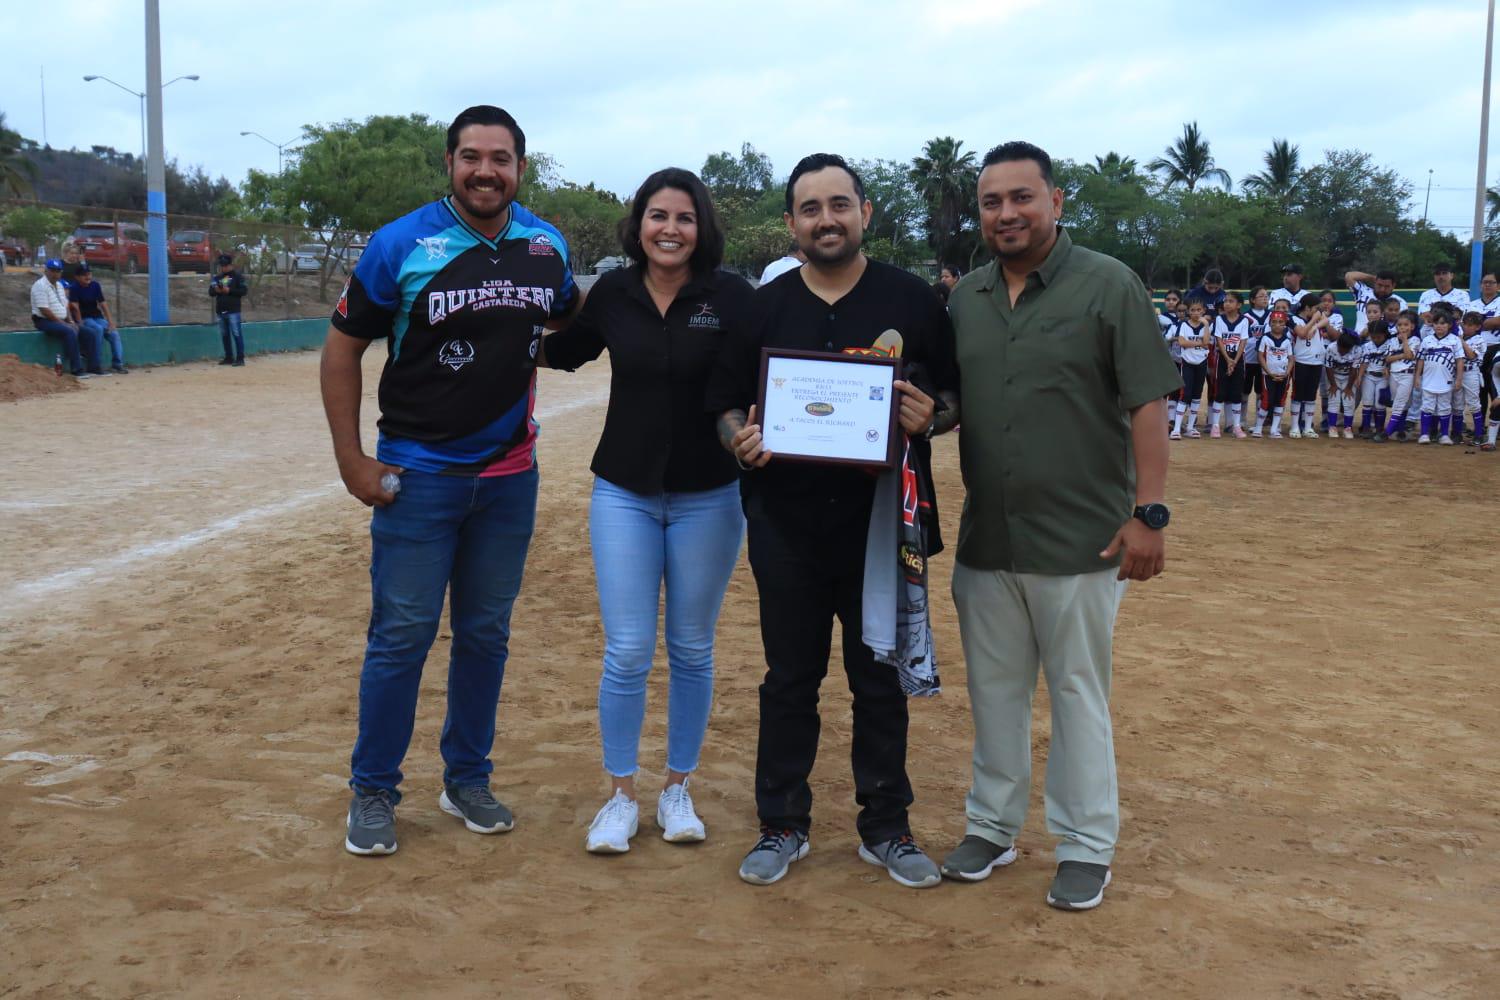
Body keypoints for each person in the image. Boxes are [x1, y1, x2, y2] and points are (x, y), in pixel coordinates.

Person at [319, 105, 578, 857]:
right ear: (450, 163)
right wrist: (351, 461)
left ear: (520, 168)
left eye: (500, 158)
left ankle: (467, 777)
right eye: (472, 156)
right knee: (400, 638)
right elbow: (342, 352)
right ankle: (373, 790)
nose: (486, 171)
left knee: (486, 636)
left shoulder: (546, 245)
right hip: (418, 478)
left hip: (509, 479)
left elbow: (564, 319)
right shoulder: (401, 244)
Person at [706, 152, 959, 890]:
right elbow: (723, 405)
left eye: (839, 204)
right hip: (783, 522)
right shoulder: (763, 307)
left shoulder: (912, 301)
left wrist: (928, 416)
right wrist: (740, 441)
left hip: (881, 525)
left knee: (876, 678)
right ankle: (781, 823)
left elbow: (950, 397)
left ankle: (887, 827)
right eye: (810, 208)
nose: (826, 219)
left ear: (865, 213)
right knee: (790, 678)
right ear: (790, 223)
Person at [937, 141, 1178, 912]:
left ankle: (1084, 845)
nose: (1005, 213)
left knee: (1077, 694)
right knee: (995, 694)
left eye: (1021, 198)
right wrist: (917, 414)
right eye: (991, 202)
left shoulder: (1109, 285)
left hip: (1084, 539)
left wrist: (1150, 514)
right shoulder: (966, 296)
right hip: (989, 538)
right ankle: (993, 827)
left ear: (1056, 201)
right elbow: (955, 401)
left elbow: (1148, 402)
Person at [539, 168, 750, 854]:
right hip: (623, 492)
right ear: (640, 223)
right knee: (628, 650)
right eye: (658, 216)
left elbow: (768, 374)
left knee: (691, 647)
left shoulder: (732, 297)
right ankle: (621, 797)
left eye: (684, 218)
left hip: (711, 495)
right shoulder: (615, 293)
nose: (670, 229)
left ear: (701, 227)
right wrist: (499, 321)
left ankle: (677, 790)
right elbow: (562, 352)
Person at [31, 258, 99, 377]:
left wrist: (71, 320)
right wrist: (64, 324)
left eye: (58, 271)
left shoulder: (60, 285)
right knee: (69, 331)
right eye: (52, 270)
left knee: (89, 333)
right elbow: (44, 310)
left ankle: (94, 367)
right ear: (46, 271)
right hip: (43, 321)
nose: (55, 273)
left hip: (61, 320)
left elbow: (65, 305)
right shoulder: (40, 285)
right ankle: (76, 369)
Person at [67, 262, 127, 374]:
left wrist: (110, 322)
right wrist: (80, 323)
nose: (88, 276)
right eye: (84, 274)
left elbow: (103, 303)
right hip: (84, 318)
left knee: (114, 333)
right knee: (98, 329)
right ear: (77, 277)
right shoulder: (74, 287)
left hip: (97, 317)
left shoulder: (95, 285)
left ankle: (117, 364)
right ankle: (95, 365)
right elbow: (75, 307)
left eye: (89, 273)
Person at [1414, 306, 1463, 444]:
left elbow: (1459, 361)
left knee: (1445, 407)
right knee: (1427, 407)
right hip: (1428, 381)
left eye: (1443, 323)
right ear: (1432, 324)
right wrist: (1417, 377)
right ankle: (1424, 434)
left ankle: (1444, 435)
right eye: (1436, 323)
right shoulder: (1427, 340)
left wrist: (1459, 379)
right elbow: (1421, 360)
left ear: (1449, 325)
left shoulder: (1455, 340)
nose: (1439, 326)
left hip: (1446, 381)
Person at [1288, 297, 1332, 438]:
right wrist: (1314, 321)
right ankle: (1295, 426)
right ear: (1307, 308)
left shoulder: (1316, 320)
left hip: (1317, 362)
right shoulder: (1293, 318)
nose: (1318, 311)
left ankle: (1308, 427)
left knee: (1311, 396)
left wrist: (1315, 326)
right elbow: (1302, 334)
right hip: (1301, 361)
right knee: (1298, 395)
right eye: (1315, 308)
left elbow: (1326, 320)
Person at [1210, 289, 1250, 437]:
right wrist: (1228, 360)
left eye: (1231, 301)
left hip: (1238, 359)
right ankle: (1215, 425)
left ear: (1239, 305)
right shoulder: (1219, 319)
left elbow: (1243, 341)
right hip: (1223, 358)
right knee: (1220, 392)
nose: (1226, 304)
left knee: (1236, 393)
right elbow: (1219, 340)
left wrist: (1235, 361)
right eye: (1226, 301)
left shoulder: (1244, 320)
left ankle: (1236, 425)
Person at [1170, 299, 1212, 440]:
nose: (1195, 313)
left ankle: (1190, 427)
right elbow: (1182, 342)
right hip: (1187, 363)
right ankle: (1176, 428)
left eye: (1198, 310)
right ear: (1188, 311)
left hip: (1201, 362)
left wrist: (1206, 325)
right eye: (1192, 310)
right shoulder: (1184, 325)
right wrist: (1199, 343)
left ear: (1203, 311)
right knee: (1185, 394)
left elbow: (1207, 342)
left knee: (1196, 395)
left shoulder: (1206, 326)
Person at [1254, 307, 1294, 438]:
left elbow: (1291, 358)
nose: (1277, 325)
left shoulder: (1287, 341)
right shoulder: (1265, 338)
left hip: (1283, 376)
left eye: (1280, 322)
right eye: (1274, 322)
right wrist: (1269, 373)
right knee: (1266, 400)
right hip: (1268, 375)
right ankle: (1258, 428)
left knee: (1280, 401)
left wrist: (1287, 373)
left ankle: (1274, 429)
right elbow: (1260, 356)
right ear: (1270, 323)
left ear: (1285, 324)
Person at [1382, 311, 1422, 441]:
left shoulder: (1415, 340)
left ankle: (1387, 432)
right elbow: (1387, 358)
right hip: (1394, 374)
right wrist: (1401, 355)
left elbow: (1410, 355)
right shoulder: (1392, 340)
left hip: (1407, 375)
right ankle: (1400, 431)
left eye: (1406, 324)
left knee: (1399, 403)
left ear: (1412, 326)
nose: (1403, 327)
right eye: (1400, 325)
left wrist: (1405, 340)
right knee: (1400, 403)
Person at [209, 253, 249, 366]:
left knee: (236, 334)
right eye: (222, 265)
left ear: (231, 265)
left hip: (233, 311)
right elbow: (210, 292)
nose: (223, 267)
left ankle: (240, 358)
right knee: (224, 335)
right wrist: (216, 290)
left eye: (225, 265)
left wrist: (229, 291)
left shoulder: (238, 277)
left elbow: (243, 291)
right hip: (221, 311)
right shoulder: (217, 278)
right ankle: (228, 357)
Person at [1345, 268, 1408, 335]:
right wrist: (1372, 277)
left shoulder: (1400, 303)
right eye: (1379, 285)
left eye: (1387, 286)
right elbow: (1349, 276)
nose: (1382, 289)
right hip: (1358, 339)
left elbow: (1402, 327)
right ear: (1375, 282)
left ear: (1393, 286)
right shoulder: (1363, 292)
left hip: (1384, 342)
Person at [1323, 332, 1362, 439]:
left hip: (1348, 378)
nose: (1342, 352)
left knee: (1349, 402)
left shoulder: (1357, 350)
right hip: (1333, 376)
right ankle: (1332, 427)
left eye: (1346, 350)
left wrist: (1349, 387)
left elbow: (1354, 370)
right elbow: (1328, 367)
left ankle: (1348, 428)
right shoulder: (1331, 348)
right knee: (1333, 400)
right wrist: (1333, 385)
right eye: (1341, 349)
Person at [1359, 320, 1393, 441]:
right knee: (1367, 402)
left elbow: (1391, 360)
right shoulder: (1367, 346)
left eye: (1378, 337)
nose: (1376, 339)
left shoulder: (1391, 344)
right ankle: (1366, 429)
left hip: (1383, 378)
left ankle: (1379, 429)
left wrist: (1388, 368)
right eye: (1373, 337)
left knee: (1380, 404)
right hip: (1369, 376)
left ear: (1385, 334)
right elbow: (1364, 363)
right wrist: (1359, 376)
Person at [1242, 286, 1270, 430]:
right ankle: (1241, 420)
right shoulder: (1245, 317)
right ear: (1252, 300)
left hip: (1263, 360)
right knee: (1244, 391)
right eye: (1261, 296)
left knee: (1260, 390)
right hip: (1248, 359)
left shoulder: (1271, 316)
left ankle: (1259, 421)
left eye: (1266, 296)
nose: (1265, 298)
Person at [1458, 311, 1487, 445]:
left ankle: (1479, 434)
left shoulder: (1480, 340)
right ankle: (1456, 433)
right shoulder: (1459, 337)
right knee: (1457, 404)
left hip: (1471, 373)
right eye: (1465, 324)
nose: (1467, 327)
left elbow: (1470, 355)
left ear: (1477, 327)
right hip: (1457, 373)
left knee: (1474, 404)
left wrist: (1461, 340)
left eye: (1471, 325)